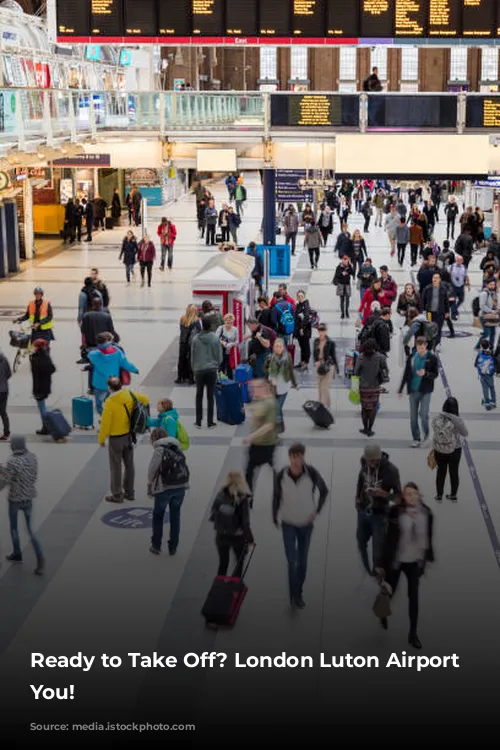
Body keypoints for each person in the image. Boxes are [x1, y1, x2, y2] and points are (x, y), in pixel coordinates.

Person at [375, 482, 433, 650]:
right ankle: (382, 613)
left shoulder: (426, 514)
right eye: (407, 494)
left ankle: (413, 633)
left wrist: (424, 560)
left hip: (414, 562)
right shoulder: (395, 512)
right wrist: (382, 563)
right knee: (389, 592)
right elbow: (387, 539)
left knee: (413, 597)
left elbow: (427, 539)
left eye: (414, 493)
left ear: (418, 495)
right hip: (397, 560)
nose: (411, 496)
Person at [273, 443, 328, 610]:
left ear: (303, 456)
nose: (297, 459)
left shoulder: (311, 473)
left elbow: (324, 490)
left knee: (302, 561)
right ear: (290, 457)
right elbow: (276, 496)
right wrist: (274, 514)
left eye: (300, 456)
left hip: (306, 523)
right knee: (292, 561)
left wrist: (316, 511)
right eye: (294, 456)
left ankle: (298, 591)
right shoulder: (282, 474)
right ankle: (294, 595)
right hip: (288, 522)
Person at [98, 377, 149, 503]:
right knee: (129, 464)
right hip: (129, 436)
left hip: (116, 438)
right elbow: (145, 399)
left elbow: (105, 424)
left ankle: (117, 495)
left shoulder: (109, 403)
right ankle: (130, 492)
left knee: (116, 467)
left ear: (109, 388)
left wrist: (101, 439)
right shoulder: (129, 394)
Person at [0, 435, 44, 575]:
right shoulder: (32, 457)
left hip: (15, 500)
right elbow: (30, 474)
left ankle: (17, 553)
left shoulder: (12, 461)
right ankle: (40, 557)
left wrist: (2, 472)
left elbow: (5, 481)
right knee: (30, 530)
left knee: (14, 528)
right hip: (29, 498)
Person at [355, 443, 401, 577]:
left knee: (378, 550)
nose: (369, 464)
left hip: (379, 514)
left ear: (379, 458)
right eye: (367, 461)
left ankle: (377, 572)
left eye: (373, 461)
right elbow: (361, 476)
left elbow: (399, 498)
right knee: (360, 542)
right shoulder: (364, 462)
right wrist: (357, 496)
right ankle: (367, 570)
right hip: (363, 511)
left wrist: (384, 494)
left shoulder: (391, 471)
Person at [147, 427, 189, 556]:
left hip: (164, 487)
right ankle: (173, 547)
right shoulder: (177, 447)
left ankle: (156, 545)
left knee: (158, 515)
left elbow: (152, 471)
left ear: (154, 438)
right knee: (175, 516)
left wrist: (149, 485)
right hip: (181, 486)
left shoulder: (159, 450)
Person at [210, 471, 254, 576]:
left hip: (221, 536)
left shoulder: (220, 496)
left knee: (223, 564)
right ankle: (233, 590)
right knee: (239, 566)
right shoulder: (242, 499)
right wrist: (250, 539)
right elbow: (245, 522)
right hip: (237, 537)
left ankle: (219, 589)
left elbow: (213, 516)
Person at [398, 336, 439, 448]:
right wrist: (401, 389)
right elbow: (406, 373)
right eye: (419, 347)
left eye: (423, 347)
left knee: (424, 414)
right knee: (413, 417)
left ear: (426, 346)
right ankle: (416, 438)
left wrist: (425, 373)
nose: (421, 349)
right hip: (413, 390)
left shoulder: (432, 358)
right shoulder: (411, 357)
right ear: (416, 346)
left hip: (426, 390)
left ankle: (426, 435)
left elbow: (435, 374)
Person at [87, 333, 138, 415]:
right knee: (111, 399)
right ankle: (110, 413)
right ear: (108, 341)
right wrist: (135, 370)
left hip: (99, 382)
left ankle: (102, 415)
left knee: (99, 403)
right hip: (112, 381)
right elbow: (125, 363)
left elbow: (90, 357)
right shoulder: (117, 352)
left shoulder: (93, 354)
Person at [243, 379, 277, 496]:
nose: (251, 391)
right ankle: (248, 494)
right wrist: (248, 408)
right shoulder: (258, 398)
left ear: (263, 388)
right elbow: (256, 407)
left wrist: (252, 436)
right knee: (251, 469)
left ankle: (248, 495)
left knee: (251, 470)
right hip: (258, 443)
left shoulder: (270, 403)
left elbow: (269, 425)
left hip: (265, 444)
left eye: (254, 389)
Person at [432, 396, 468, 502]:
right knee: (454, 472)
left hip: (439, 448)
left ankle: (439, 495)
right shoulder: (457, 420)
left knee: (440, 471)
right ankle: (453, 495)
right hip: (455, 449)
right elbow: (465, 433)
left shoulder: (437, 417)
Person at [191, 317, 222, 429]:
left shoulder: (195, 339)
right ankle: (210, 421)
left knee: (199, 395)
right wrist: (217, 364)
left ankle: (198, 421)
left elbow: (192, 356)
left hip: (199, 370)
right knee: (210, 395)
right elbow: (219, 355)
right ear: (211, 326)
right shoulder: (215, 338)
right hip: (212, 370)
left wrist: (194, 368)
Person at [354, 338, 387, 437]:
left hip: (363, 387)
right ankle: (370, 429)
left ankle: (365, 428)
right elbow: (385, 369)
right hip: (375, 386)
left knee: (364, 408)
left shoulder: (360, 357)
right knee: (373, 408)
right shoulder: (380, 357)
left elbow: (356, 372)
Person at [265, 338, 297, 434]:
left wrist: (295, 383)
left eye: (280, 346)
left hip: (284, 386)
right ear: (273, 348)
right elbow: (265, 370)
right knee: (276, 408)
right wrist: (268, 367)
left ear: (283, 348)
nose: (278, 348)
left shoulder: (288, 357)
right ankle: (279, 426)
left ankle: (277, 427)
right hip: (273, 386)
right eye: (276, 346)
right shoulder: (270, 357)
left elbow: (291, 371)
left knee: (277, 407)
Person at [30, 339, 56, 435]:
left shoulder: (35, 359)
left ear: (36, 347)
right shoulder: (46, 356)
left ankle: (46, 427)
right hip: (46, 385)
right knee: (43, 406)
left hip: (39, 387)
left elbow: (35, 374)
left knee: (42, 408)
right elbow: (53, 369)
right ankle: (46, 426)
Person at [421, 272, 450, 348]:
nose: (435, 279)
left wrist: (447, 312)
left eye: (437, 278)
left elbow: (446, 301)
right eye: (434, 278)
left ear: (440, 279)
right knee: (429, 328)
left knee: (438, 328)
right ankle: (430, 344)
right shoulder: (428, 288)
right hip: (430, 313)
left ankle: (437, 344)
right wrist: (423, 310)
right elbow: (422, 300)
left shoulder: (443, 289)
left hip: (440, 313)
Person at [313, 323, 338, 409]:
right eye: (320, 330)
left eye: (323, 330)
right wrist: (316, 361)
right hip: (319, 366)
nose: (321, 332)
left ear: (326, 331)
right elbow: (314, 353)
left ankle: (324, 406)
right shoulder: (316, 341)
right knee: (320, 387)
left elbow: (333, 356)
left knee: (325, 387)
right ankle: (325, 404)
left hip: (328, 366)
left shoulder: (330, 342)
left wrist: (337, 369)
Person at [176, 304, 201, 385]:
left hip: (182, 342)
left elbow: (181, 330)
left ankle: (180, 377)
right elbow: (199, 332)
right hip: (191, 343)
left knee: (181, 359)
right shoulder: (196, 320)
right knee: (191, 360)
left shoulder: (182, 319)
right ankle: (191, 378)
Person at [475, 338, 497, 410]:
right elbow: (495, 362)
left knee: (485, 388)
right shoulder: (491, 354)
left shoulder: (480, 354)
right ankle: (493, 402)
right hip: (490, 374)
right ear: (489, 346)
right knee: (492, 387)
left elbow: (475, 364)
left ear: (481, 346)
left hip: (482, 374)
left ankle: (487, 403)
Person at [477, 278, 498, 350]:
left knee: (493, 333)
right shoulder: (484, 293)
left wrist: (496, 309)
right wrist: (491, 311)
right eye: (491, 285)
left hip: (492, 316)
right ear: (487, 285)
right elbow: (482, 306)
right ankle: (477, 345)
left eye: (494, 285)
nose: (493, 286)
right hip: (484, 316)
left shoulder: (494, 293)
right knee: (487, 333)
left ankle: (491, 347)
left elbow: (495, 304)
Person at [216, 313, 239, 379]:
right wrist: (222, 342)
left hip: (231, 352)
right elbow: (215, 338)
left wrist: (231, 344)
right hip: (221, 351)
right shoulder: (220, 328)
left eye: (231, 323)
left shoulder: (235, 329)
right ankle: (221, 382)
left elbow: (237, 341)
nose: (229, 325)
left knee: (230, 368)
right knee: (221, 367)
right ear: (224, 321)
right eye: (228, 322)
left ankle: (230, 383)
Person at [294, 290, 313, 371]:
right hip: (299, 330)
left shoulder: (306, 305)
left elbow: (306, 317)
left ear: (304, 296)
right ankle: (302, 362)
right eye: (298, 296)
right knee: (302, 347)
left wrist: (302, 328)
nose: (300, 298)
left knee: (306, 347)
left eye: (301, 296)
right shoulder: (299, 305)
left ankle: (306, 363)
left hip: (305, 330)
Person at [333, 254, 355, 319]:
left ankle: (347, 312)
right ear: (342, 260)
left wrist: (350, 266)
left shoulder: (349, 266)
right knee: (342, 300)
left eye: (346, 260)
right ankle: (342, 313)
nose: (345, 261)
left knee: (347, 300)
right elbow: (337, 275)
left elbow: (352, 273)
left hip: (347, 285)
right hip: (341, 285)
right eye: (344, 260)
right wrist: (342, 273)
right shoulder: (339, 267)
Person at [449, 255, 470, 319]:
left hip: (461, 286)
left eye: (460, 260)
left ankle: (454, 309)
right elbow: (445, 274)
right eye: (458, 260)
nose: (459, 261)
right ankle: (453, 315)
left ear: (462, 261)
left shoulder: (464, 267)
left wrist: (468, 284)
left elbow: (466, 276)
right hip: (453, 286)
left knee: (461, 299)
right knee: (453, 300)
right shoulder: (451, 267)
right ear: (456, 260)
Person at [0, 348, 12, 441]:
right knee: (3, 412)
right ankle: (6, 433)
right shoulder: (4, 359)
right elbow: (9, 374)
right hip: (4, 390)